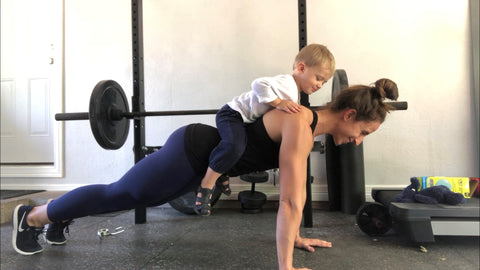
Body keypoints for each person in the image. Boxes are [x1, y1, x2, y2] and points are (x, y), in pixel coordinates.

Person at [12, 78, 399, 270]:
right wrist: (286, 267)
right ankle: (32, 216)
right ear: (350, 115)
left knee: (137, 197)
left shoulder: (305, 123)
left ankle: (57, 217)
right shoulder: (301, 124)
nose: (358, 141)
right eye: (363, 132)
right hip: (191, 151)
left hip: (197, 159)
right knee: (121, 195)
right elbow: (292, 198)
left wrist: (295, 236)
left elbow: (293, 198)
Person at [194, 44, 335, 216]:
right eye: (318, 78)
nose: (320, 85)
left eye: (324, 82)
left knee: (244, 150)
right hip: (232, 114)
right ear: (301, 68)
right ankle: (206, 185)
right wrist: (278, 103)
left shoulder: (294, 93)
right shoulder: (287, 83)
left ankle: (222, 172)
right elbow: (258, 84)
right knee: (234, 146)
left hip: (245, 121)